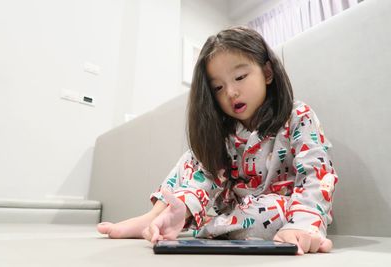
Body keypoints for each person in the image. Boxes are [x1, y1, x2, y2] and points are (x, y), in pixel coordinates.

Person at [97, 26, 338, 255]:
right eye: (218, 88)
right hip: (232, 210)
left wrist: (303, 222)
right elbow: (206, 180)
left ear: (267, 73)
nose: (231, 92)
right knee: (196, 156)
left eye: (240, 77)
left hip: (280, 210)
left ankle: (201, 228)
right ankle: (156, 217)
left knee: (271, 215)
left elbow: (317, 175)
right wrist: (182, 206)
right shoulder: (225, 134)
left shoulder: (298, 115)